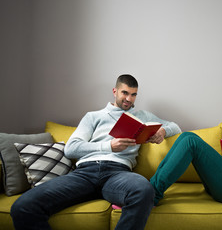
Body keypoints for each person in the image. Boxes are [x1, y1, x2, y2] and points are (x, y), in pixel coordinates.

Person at [11, 74, 181, 230]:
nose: (129, 99)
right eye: (125, 93)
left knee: (144, 190)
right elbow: (71, 148)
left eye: (133, 94)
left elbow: (175, 126)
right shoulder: (94, 116)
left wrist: (162, 132)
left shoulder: (142, 116)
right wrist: (109, 146)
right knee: (23, 206)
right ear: (115, 91)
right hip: (85, 173)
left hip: (118, 174)